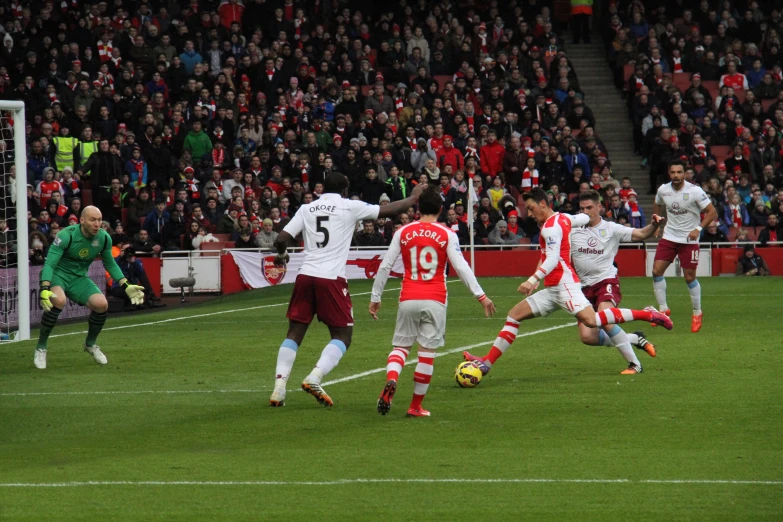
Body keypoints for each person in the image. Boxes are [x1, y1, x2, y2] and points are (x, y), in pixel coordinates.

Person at [463, 188, 672, 375]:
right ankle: (487, 362)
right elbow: (557, 244)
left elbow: (553, 258)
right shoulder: (565, 220)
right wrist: (538, 278)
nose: (528, 213)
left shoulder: (554, 228)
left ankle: (647, 319)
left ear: (542, 204)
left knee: (597, 320)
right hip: (559, 287)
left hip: (574, 285)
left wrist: (532, 279)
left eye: (530, 208)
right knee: (517, 316)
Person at [269, 173, 426, 408]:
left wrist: (282, 256)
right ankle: (315, 377)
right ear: (344, 189)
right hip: (331, 278)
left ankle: (279, 389)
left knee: (294, 332)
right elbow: (390, 210)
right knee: (342, 335)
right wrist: (414, 197)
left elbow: (281, 239)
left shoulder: (307, 208)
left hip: (305, 275)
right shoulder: (349, 206)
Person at [369, 186, 496, 417]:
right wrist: (481, 295)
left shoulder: (403, 232)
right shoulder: (447, 233)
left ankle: (392, 378)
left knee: (400, 348)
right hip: (435, 299)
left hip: (408, 296)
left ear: (417, 208)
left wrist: (375, 297)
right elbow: (461, 267)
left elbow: (385, 265)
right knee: (426, 354)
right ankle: (415, 406)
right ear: (440, 209)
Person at [34, 206, 145, 370]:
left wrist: (125, 284)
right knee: (59, 300)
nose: (97, 224)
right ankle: (41, 347)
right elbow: (50, 263)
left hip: (79, 278)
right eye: (93, 220)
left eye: (99, 220)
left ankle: (90, 344)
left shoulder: (104, 238)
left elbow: (110, 263)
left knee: (102, 304)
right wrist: (45, 287)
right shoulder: (66, 235)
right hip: (58, 274)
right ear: (82, 220)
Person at [571, 190, 664, 374]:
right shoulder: (572, 229)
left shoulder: (611, 228)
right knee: (587, 337)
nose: (585, 212)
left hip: (606, 281)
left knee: (605, 318)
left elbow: (640, 234)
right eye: (582, 209)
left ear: (599, 207)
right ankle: (635, 339)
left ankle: (635, 365)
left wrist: (653, 225)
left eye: (589, 207)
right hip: (582, 288)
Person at [651, 160, 718, 333]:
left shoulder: (694, 191)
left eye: (679, 172)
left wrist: (698, 229)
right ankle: (663, 309)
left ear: (685, 173)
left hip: (689, 240)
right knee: (656, 271)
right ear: (669, 172)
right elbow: (657, 203)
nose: (676, 175)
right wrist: (657, 223)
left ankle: (697, 312)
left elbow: (712, 212)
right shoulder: (663, 190)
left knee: (689, 278)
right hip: (669, 236)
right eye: (673, 172)